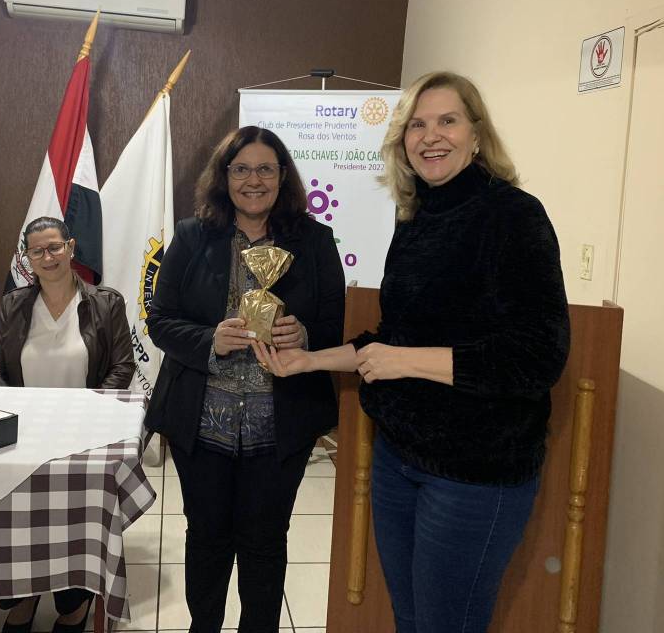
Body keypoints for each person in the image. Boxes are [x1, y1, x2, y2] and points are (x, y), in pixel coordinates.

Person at [255, 72, 570, 633]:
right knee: (410, 619)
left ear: (477, 134)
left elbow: (538, 356)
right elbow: (391, 339)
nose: (431, 136)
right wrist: (311, 360)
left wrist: (407, 361)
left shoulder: (514, 215)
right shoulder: (417, 218)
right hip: (400, 460)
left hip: (474, 473)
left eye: (448, 120)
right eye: (417, 125)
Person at [145, 125, 346, 633]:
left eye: (265, 169)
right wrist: (210, 339)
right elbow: (160, 321)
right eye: (241, 169)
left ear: (283, 176)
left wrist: (304, 334)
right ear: (224, 176)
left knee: (264, 542)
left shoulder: (314, 241)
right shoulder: (192, 236)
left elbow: (334, 326)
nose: (253, 180)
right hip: (201, 426)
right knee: (207, 538)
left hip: (280, 428)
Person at [0, 215, 135, 633]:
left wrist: (88, 412)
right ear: (27, 258)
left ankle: (73, 604)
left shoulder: (106, 302)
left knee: (74, 521)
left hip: (82, 432)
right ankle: (24, 596)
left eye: (54, 247)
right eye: (37, 251)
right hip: (23, 432)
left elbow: (122, 366)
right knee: (16, 519)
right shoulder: (14, 304)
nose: (47, 257)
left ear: (70, 247)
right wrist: (14, 411)